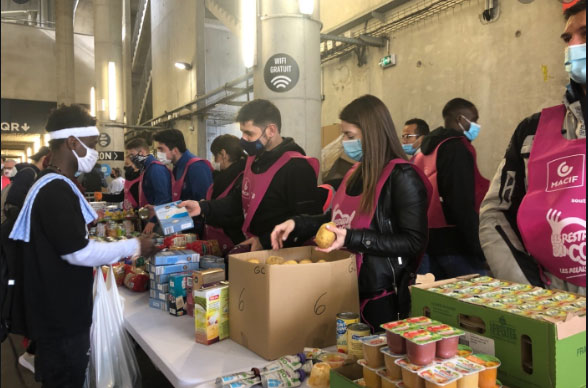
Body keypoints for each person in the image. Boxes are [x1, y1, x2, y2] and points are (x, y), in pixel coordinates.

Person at [7, 104, 157, 387]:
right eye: (91, 145)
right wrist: (134, 245)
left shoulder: (52, 184)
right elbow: (79, 253)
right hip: (60, 319)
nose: (95, 153)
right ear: (72, 142)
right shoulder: (55, 190)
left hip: (55, 313)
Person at [271, 95, 430, 330]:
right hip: (342, 287)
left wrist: (354, 239)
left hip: (379, 297)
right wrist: (298, 223)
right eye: (344, 135)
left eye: (350, 136)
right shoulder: (354, 173)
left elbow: (413, 241)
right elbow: (334, 220)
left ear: (372, 133)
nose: (344, 142)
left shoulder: (402, 177)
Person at [479, 0, 586, 294]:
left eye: (585, 34)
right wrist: (530, 292)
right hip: (557, 306)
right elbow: (496, 214)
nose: (573, 46)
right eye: (568, 38)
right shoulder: (533, 131)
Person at [179, 99, 323, 251]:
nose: (243, 139)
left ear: (271, 131)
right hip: (256, 250)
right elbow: (237, 201)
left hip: (284, 257)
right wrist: (202, 207)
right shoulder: (254, 161)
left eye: (249, 133)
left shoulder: (297, 167)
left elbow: (308, 223)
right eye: (242, 132)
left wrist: (265, 241)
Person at [413, 98, 490, 280]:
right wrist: (479, 249)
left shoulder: (423, 151)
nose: (476, 125)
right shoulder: (456, 149)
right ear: (460, 119)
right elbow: (460, 203)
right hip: (456, 244)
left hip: (429, 242)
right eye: (474, 119)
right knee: (475, 301)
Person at [205, 134, 247, 253]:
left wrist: (207, 211)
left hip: (233, 243)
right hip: (216, 243)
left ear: (223, 154)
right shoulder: (222, 177)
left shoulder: (241, 177)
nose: (213, 161)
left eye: (214, 156)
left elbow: (235, 211)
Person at [125, 137, 172, 234]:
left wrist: (153, 221)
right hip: (152, 218)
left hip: (160, 221)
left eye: (132, 155)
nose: (131, 159)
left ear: (141, 153)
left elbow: (164, 198)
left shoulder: (156, 169)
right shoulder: (146, 169)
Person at [153, 128, 213, 202]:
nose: (158, 153)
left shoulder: (197, 167)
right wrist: (158, 209)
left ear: (175, 150)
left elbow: (204, 203)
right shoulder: (177, 167)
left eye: (161, 149)